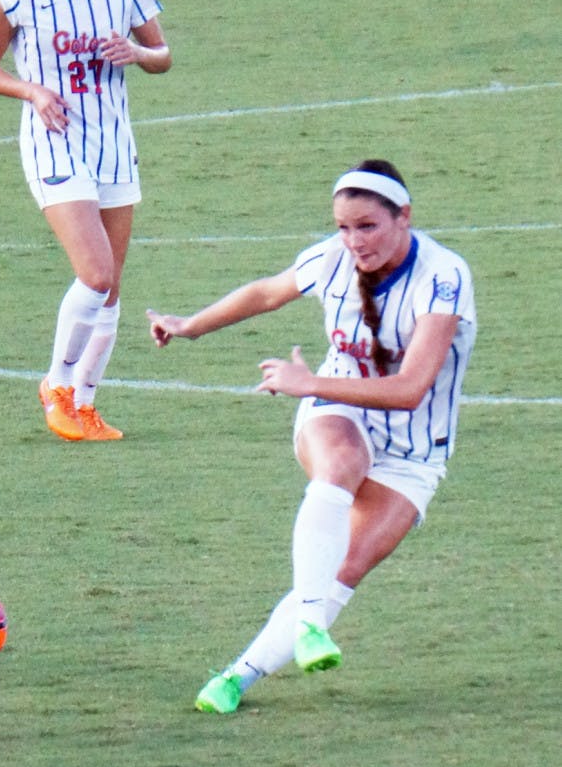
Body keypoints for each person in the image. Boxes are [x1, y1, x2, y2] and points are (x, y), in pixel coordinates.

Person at [147, 159, 476, 712]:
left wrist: (305, 381)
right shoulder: (333, 258)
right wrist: (190, 325)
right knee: (340, 463)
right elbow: (266, 293)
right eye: (344, 227)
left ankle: (235, 679)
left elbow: (411, 388)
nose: (353, 241)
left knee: (343, 569)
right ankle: (309, 620)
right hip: (338, 406)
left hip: (415, 451)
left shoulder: (443, 277)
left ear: (405, 218)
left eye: (367, 226)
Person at [0, 0, 171, 441]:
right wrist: (32, 91)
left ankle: (84, 403)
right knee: (95, 270)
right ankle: (56, 383)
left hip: (113, 143)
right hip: (53, 142)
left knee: (111, 288)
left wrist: (135, 52)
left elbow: (163, 54)